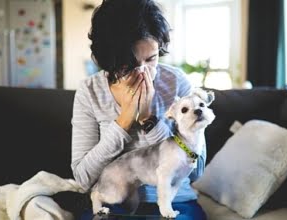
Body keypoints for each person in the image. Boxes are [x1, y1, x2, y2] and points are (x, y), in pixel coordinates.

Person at [70, 0, 207, 219]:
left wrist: (147, 117)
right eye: (129, 64)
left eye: (151, 58)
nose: (144, 71)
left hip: (174, 200)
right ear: (110, 60)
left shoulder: (177, 83)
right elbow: (83, 178)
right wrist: (124, 118)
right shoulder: (90, 92)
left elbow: (197, 170)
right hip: (112, 200)